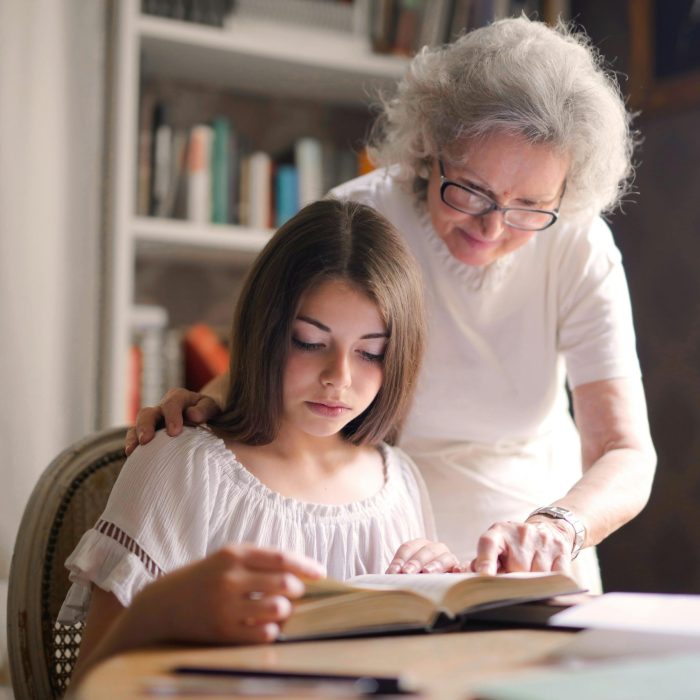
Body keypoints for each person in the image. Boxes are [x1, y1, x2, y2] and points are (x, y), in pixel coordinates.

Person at [128, 17, 656, 594]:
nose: (492, 226)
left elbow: (624, 451)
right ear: (432, 148)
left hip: (534, 553)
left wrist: (559, 527)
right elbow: (293, 354)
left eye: (530, 206)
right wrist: (203, 405)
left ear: (565, 194)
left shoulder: (576, 244)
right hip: (387, 540)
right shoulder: (360, 220)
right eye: (472, 190)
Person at [59, 199, 458, 684]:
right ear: (265, 330)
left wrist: (440, 590)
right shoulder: (182, 467)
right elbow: (91, 681)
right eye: (310, 343)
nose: (340, 377)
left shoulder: (398, 481)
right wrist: (165, 606)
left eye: (371, 352)